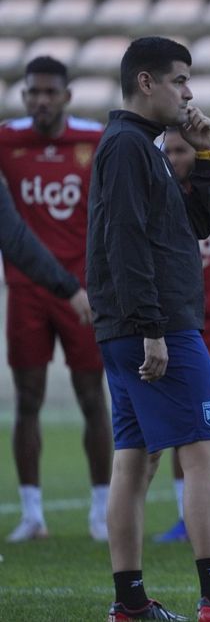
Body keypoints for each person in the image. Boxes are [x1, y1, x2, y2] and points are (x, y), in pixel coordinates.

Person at [87, 36, 210, 621]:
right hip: (158, 326)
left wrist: (205, 158)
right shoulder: (128, 147)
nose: (189, 91)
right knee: (206, 452)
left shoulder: (138, 146)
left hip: (130, 324)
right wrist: (152, 326)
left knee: (136, 459)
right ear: (146, 82)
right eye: (180, 79)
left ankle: (129, 604)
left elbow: (194, 225)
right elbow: (123, 239)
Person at [0, 55, 111, 543]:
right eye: (33, 93)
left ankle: (102, 509)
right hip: (27, 290)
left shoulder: (94, 140)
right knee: (28, 400)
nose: (41, 101)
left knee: (93, 398)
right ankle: (32, 513)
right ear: (25, 98)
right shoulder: (7, 139)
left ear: (66, 96)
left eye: (50, 92)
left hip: (83, 292)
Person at [153, 127, 210, 544]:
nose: (174, 158)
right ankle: (184, 517)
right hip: (172, 323)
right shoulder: (154, 194)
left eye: (182, 151)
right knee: (176, 423)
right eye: (168, 151)